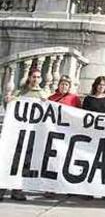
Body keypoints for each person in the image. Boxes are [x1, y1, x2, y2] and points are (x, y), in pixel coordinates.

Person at [0, 68, 47, 202]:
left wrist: (45, 103)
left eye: (38, 77)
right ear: (29, 78)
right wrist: (8, 100)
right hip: (16, 134)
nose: (36, 79)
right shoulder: (20, 92)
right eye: (34, 77)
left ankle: (17, 190)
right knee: (9, 161)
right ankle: (2, 188)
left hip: (30, 134)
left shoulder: (43, 94)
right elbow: (9, 108)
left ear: (41, 79)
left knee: (24, 163)